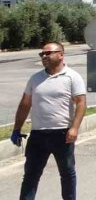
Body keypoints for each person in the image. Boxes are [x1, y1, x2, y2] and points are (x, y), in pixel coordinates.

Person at [11, 42, 87, 200]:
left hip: (62, 134)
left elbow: (81, 103)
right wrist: (16, 129)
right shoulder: (35, 78)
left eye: (48, 53)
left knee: (67, 174)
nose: (44, 56)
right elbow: (25, 104)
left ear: (61, 54)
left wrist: (74, 128)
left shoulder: (72, 76)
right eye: (42, 54)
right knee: (31, 175)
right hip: (38, 135)